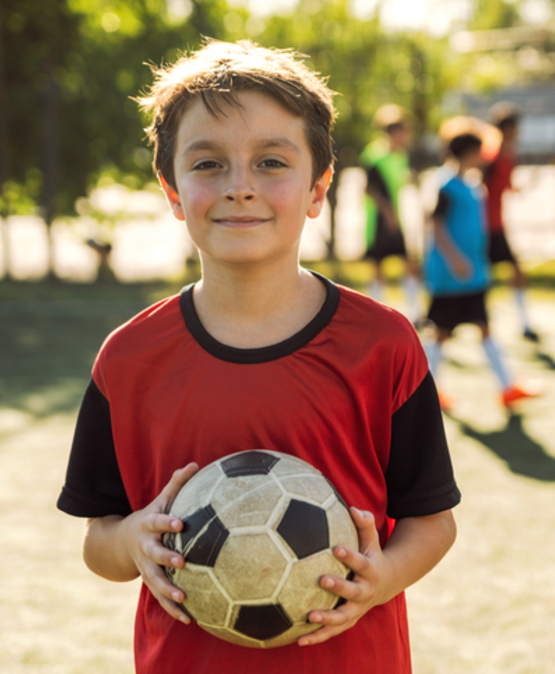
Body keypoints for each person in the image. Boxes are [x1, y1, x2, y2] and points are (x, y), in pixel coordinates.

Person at [56, 39, 459, 674]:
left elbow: (432, 522)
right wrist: (132, 539)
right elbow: (97, 540)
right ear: (171, 188)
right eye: (208, 164)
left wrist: (379, 579)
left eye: (272, 162)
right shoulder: (129, 360)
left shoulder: (382, 344)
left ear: (318, 188)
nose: (240, 187)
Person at [424, 121, 541, 411]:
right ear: (468, 152)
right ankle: (423, 395)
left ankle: (507, 387)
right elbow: (435, 225)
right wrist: (455, 260)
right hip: (452, 277)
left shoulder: (472, 184)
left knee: (484, 327)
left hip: (472, 275)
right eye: (480, 151)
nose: (484, 157)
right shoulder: (446, 185)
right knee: (441, 333)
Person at [482, 102, 540, 342]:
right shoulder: (491, 154)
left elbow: (505, 186)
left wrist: (527, 185)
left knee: (512, 271)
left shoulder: (508, 155)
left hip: (496, 224)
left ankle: (524, 323)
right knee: (482, 276)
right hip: (484, 226)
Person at [360, 104, 422, 323]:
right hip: (377, 221)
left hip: (396, 218)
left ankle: (415, 313)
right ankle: (378, 314)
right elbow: (369, 189)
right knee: (378, 266)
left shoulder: (402, 156)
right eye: (400, 132)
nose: (404, 137)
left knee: (409, 263)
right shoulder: (374, 156)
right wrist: (387, 214)